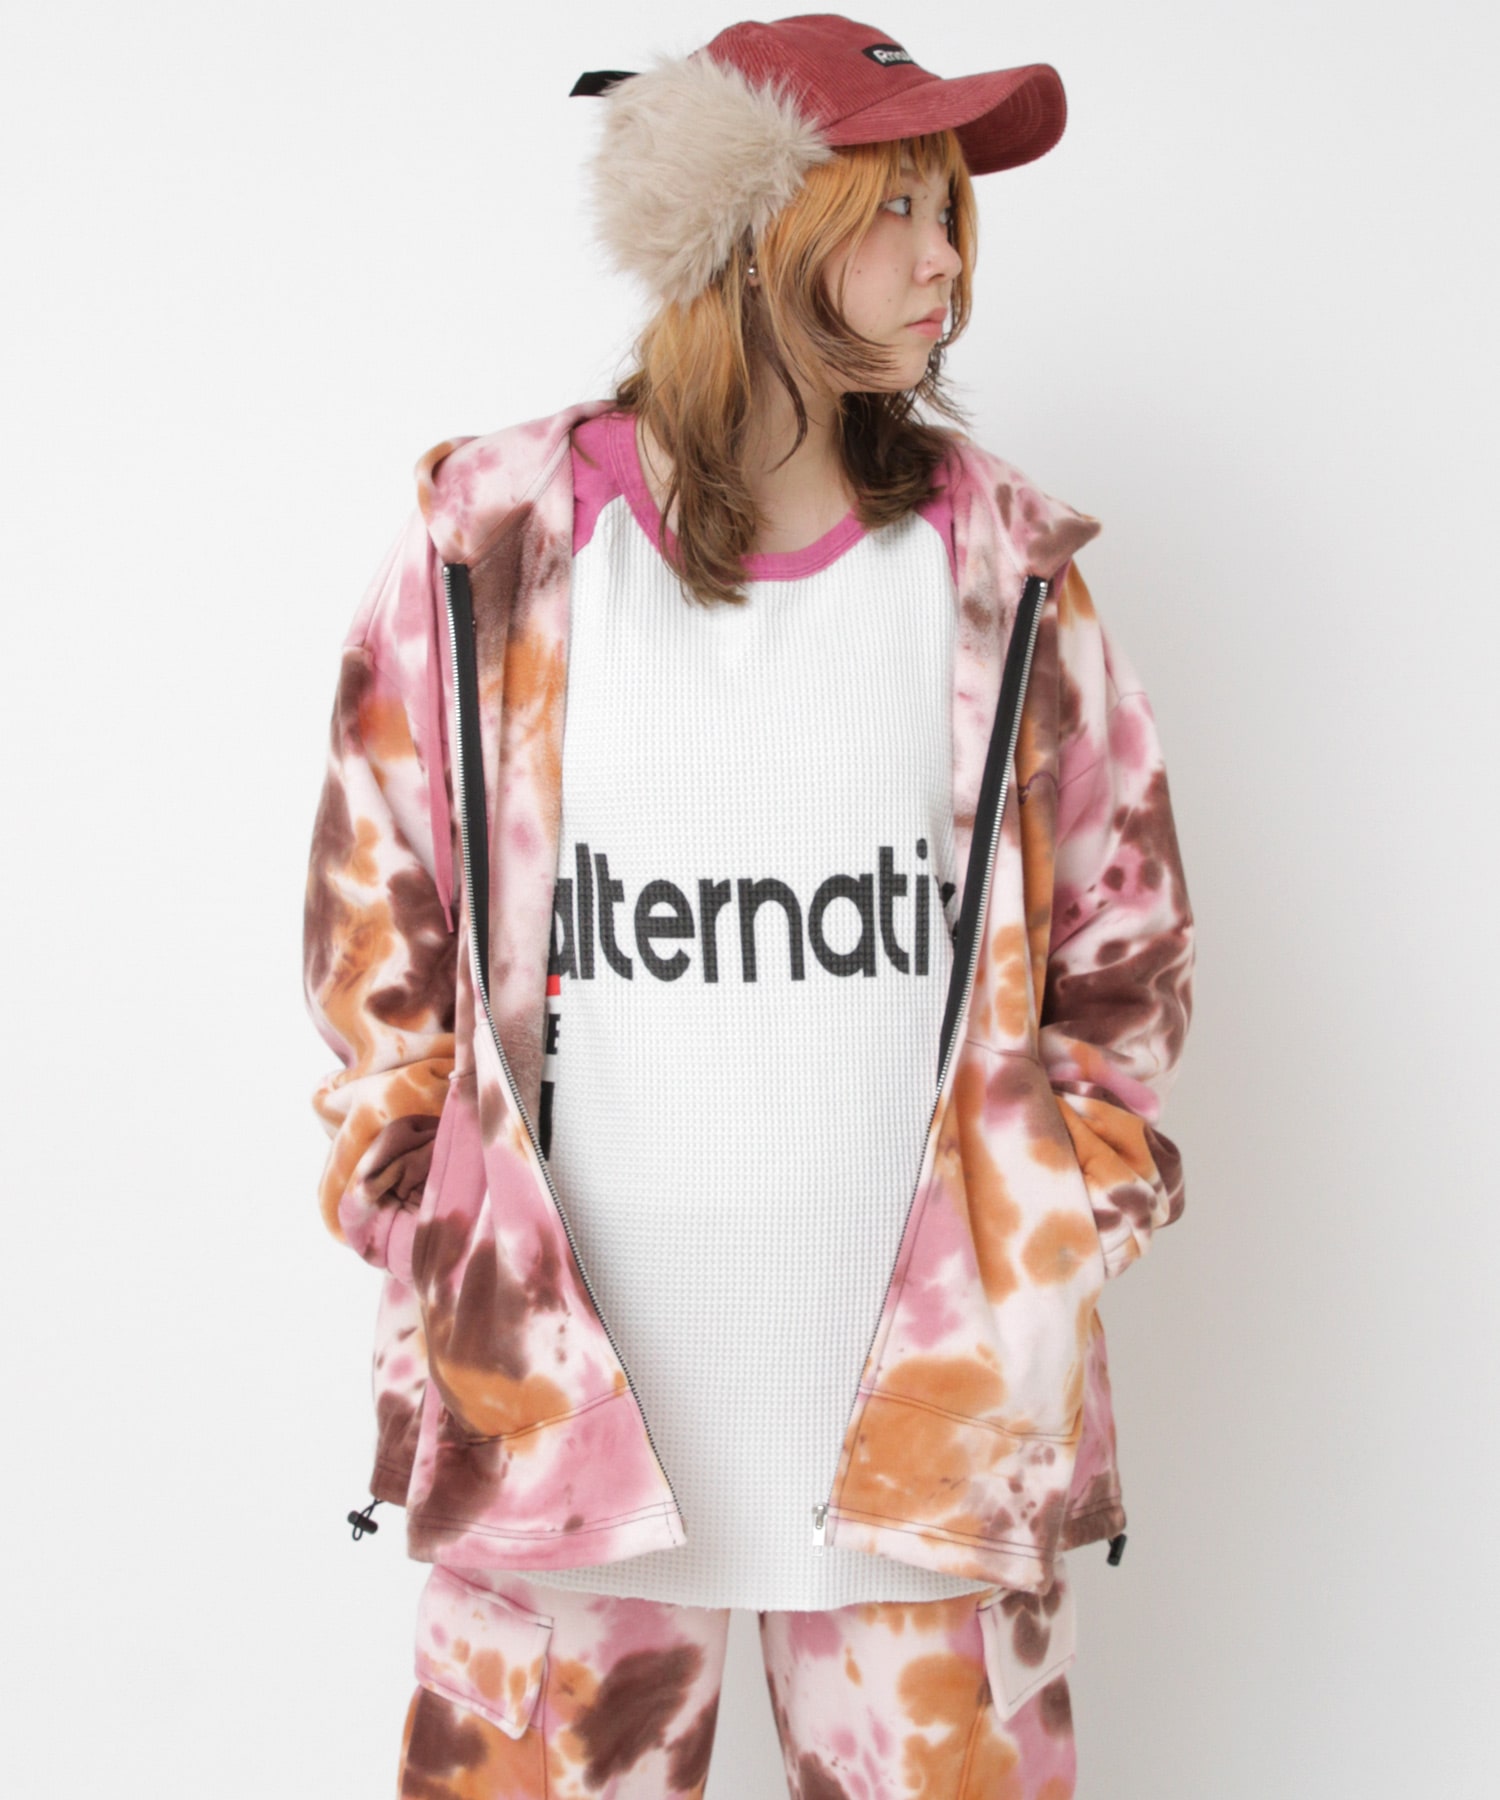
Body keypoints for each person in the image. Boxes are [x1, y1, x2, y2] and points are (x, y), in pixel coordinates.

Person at [302, 15, 1195, 1797]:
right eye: (895, 209)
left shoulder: (1000, 567)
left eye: (949, 212)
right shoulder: (495, 543)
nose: (946, 262)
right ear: (756, 230)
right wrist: (430, 1217)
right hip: (564, 1417)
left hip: (931, 1431)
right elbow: (377, 916)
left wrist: (1054, 1229)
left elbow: (1128, 941)